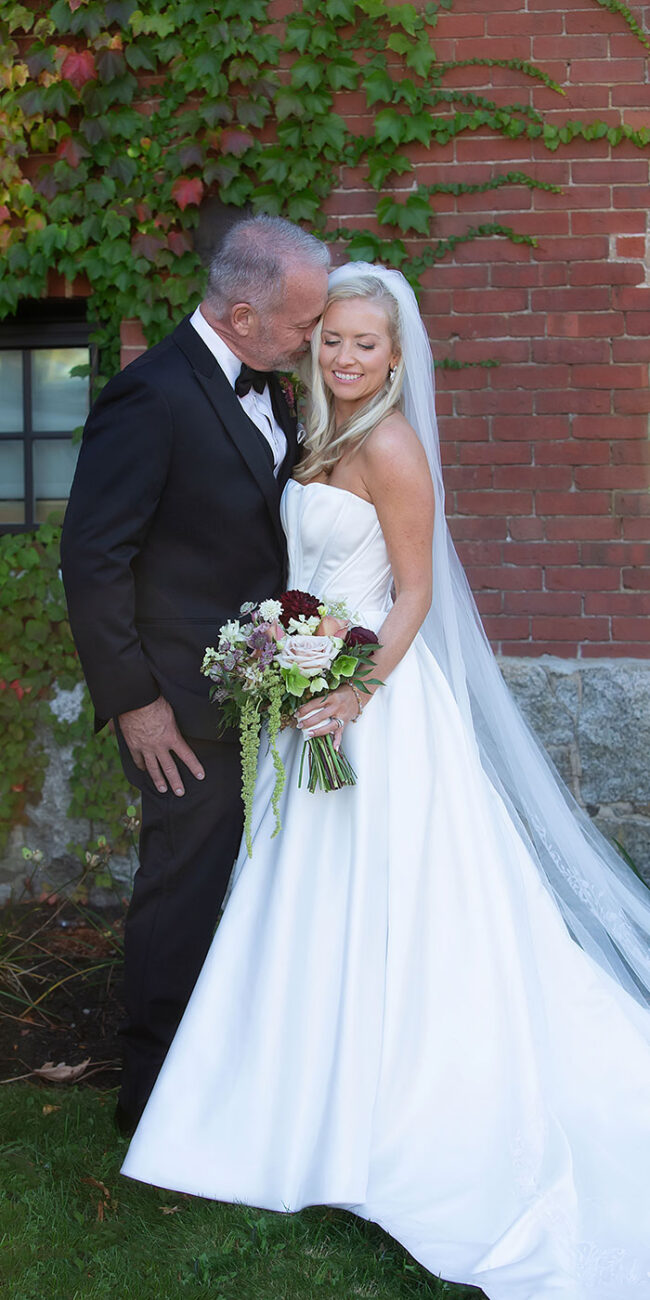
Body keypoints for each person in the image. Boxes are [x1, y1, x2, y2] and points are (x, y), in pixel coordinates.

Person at [121, 264, 650, 1298]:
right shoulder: (319, 437)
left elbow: (410, 592)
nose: (345, 357)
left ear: (397, 357)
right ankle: (300, 1102)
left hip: (375, 712)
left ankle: (395, 1105)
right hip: (305, 698)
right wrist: (283, 649)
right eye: (332, 341)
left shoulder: (393, 447)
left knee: (393, 905)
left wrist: (355, 688)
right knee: (305, 903)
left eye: (365, 344)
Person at [60, 216, 330, 1136]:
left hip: (264, 693)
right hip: (180, 707)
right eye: (302, 325)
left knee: (251, 889)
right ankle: (154, 1098)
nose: (313, 341)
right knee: (181, 889)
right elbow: (94, 559)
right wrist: (136, 703)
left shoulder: (277, 393)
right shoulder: (152, 396)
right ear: (245, 312)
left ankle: (229, 1075)